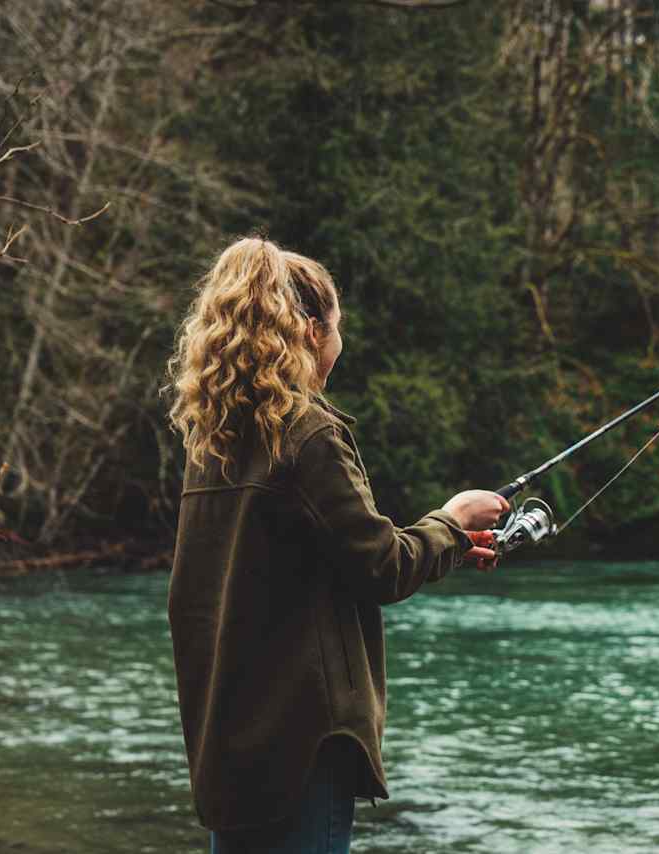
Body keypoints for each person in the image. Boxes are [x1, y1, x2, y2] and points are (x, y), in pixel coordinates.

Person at [163, 237, 508, 853]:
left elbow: (315, 558)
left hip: (230, 740)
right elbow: (381, 567)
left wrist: (449, 545)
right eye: (338, 327)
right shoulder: (309, 433)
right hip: (304, 741)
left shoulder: (209, 443)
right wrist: (453, 520)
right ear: (313, 331)